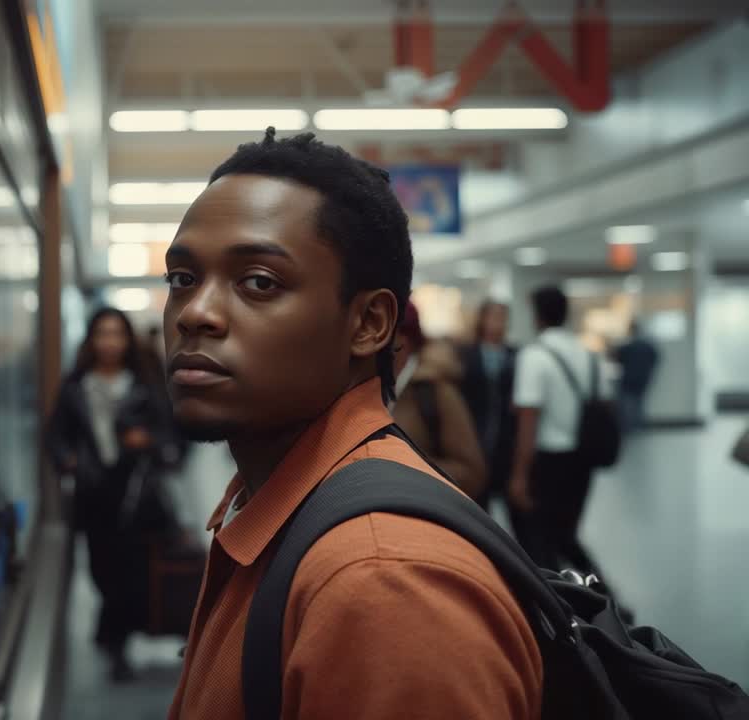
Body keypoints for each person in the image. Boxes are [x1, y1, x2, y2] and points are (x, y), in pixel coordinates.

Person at [164, 129, 540, 719]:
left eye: (259, 282)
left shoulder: (384, 584)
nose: (196, 314)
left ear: (369, 323)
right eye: (182, 279)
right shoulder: (273, 502)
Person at [45, 307, 176, 682]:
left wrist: (147, 441)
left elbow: (173, 437)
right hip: (93, 495)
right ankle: (110, 634)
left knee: (131, 574)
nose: (110, 342)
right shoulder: (75, 386)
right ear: (91, 339)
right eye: (103, 334)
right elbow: (54, 436)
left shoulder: (144, 386)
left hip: (136, 495)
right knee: (102, 572)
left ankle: (115, 643)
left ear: (127, 340)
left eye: (117, 334)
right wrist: (67, 459)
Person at [509, 286, 611, 577]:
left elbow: (528, 418)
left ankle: (562, 603)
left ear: (537, 315)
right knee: (566, 533)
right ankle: (601, 593)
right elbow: (604, 405)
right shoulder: (589, 355)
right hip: (584, 457)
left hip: (549, 460)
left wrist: (518, 476)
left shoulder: (535, 355)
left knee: (541, 538)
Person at [390, 301, 487, 501]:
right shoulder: (370, 387)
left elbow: (472, 474)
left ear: (404, 340)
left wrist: (402, 468)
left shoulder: (435, 390)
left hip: (423, 516)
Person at [460, 300, 518, 512]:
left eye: (503, 318)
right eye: (494, 317)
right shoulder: (466, 354)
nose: (498, 323)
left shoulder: (514, 355)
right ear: (482, 319)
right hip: (475, 433)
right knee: (478, 505)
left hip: (506, 437)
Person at [611, 321, 659, 434]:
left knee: (627, 404)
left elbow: (616, 358)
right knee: (639, 403)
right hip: (643, 378)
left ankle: (630, 427)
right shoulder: (648, 346)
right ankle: (638, 426)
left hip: (628, 379)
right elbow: (656, 358)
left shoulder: (628, 347)